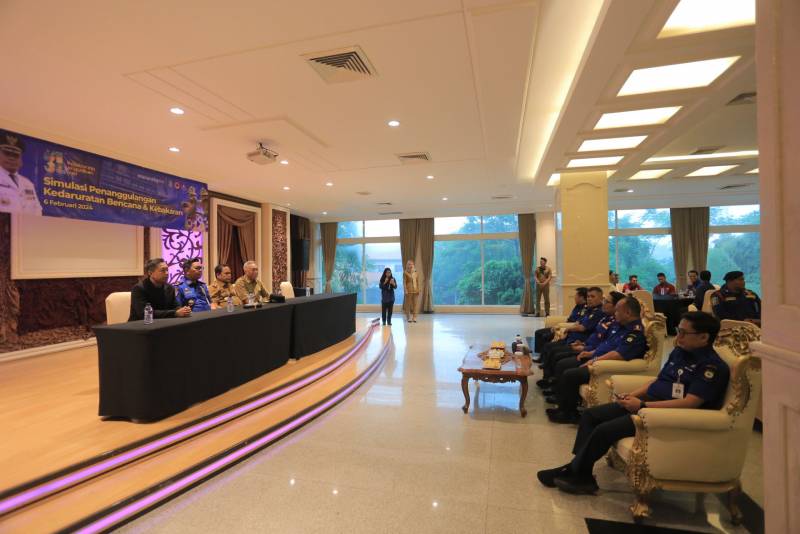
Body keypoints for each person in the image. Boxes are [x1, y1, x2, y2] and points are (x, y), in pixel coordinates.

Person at [537, 312, 729, 495]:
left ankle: (576, 472)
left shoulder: (711, 367)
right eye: (678, 331)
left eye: (684, 333)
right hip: (648, 403)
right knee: (590, 415)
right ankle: (579, 469)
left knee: (604, 430)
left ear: (704, 337)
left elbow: (690, 403)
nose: (678, 337)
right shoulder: (680, 352)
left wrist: (642, 406)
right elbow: (658, 382)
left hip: (665, 415)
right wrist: (631, 395)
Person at [546, 296, 648, 424]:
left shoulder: (634, 332)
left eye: (617, 310)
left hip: (605, 366)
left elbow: (618, 354)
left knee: (569, 373)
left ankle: (569, 413)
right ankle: (562, 405)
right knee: (563, 363)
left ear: (628, 313)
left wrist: (594, 360)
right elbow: (605, 344)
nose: (615, 313)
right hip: (596, 357)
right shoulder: (620, 325)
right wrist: (590, 352)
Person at [540, 291, 626, 392]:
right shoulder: (605, 318)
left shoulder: (615, 323)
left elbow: (607, 346)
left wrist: (587, 350)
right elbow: (595, 337)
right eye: (588, 296)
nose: (603, 303)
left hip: (594, 355)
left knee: (560, 361)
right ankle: (551, 383)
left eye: (606, 301)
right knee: (554, 351)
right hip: (587, 347)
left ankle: (555, 389)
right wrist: (583, 343)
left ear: (616, 307)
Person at [538, 287, 606, 382]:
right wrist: (570, 330)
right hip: (574, 339)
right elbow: (578, 322)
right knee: (550, 347)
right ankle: (548, 377)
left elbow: (583, 328)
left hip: (580, 342)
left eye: (592, 296)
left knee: (554, 352)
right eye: (588, 296)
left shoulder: (599, 312)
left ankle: (550, 379)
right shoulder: (589, 310)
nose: (589, 299)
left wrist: (568, 329)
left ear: (601, 298)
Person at [533, 288, 588, 358]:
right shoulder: (578, 305)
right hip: (565, 325)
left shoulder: (585, 309)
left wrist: (560, 326)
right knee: (538, 332)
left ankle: (543, 357)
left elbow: (577, 323)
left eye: (576, 295)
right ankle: (539, 354)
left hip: (567, 328)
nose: (574, 297)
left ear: (581, 297)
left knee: (545, 336)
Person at [0, 130, 43, 215]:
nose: (11, 158)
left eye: (15, 155)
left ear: (21, 160)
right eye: (7, 153)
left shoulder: (28, 184)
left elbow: (38, 211)